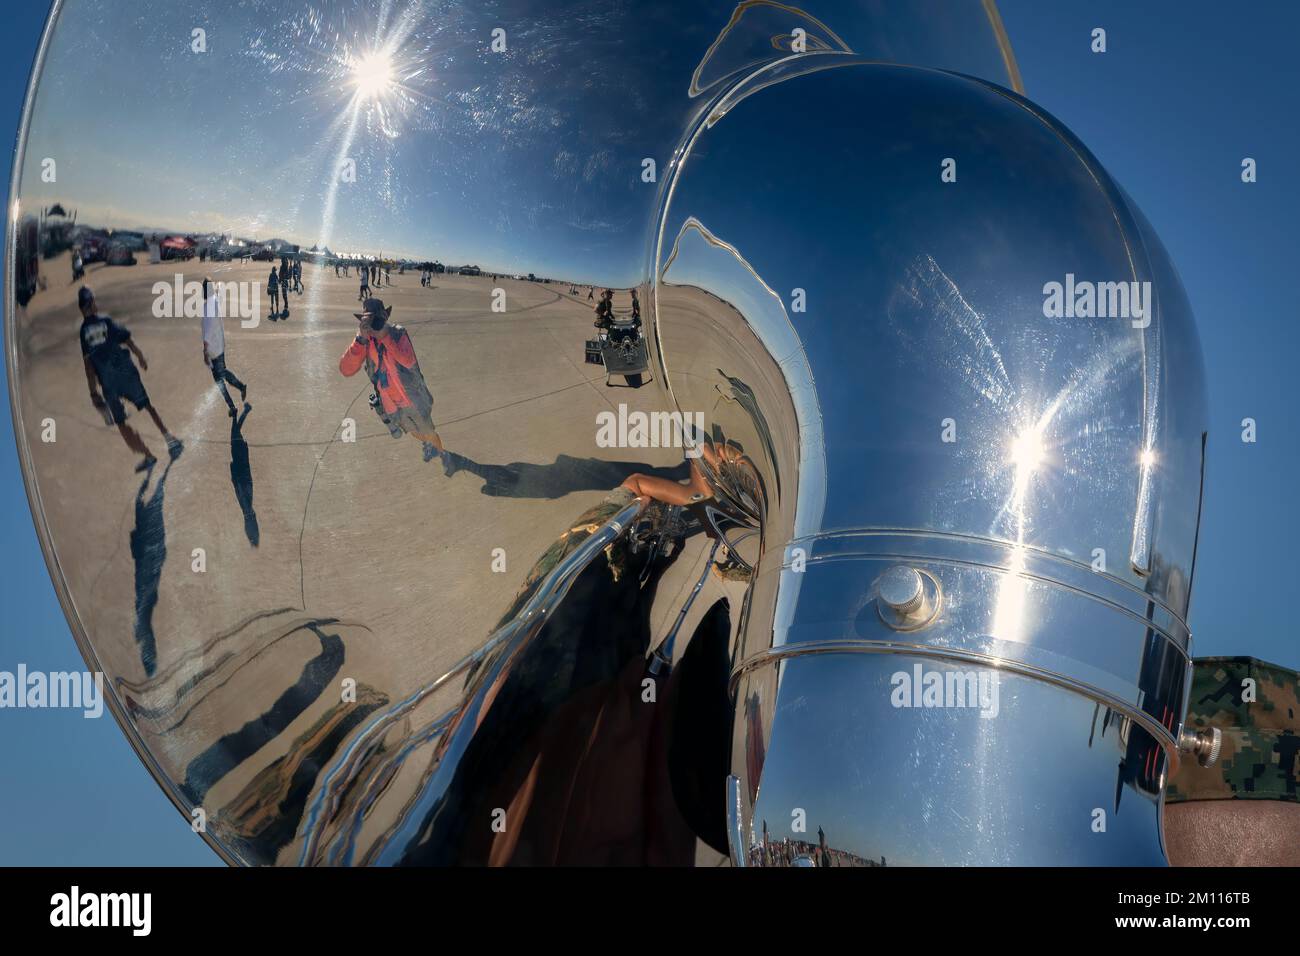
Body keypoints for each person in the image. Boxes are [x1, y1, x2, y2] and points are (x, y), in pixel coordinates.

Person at [78, 286, 182, 471]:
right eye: (94, 300)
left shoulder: (83, 332)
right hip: (125, 373)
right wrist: (140, 355)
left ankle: (148, 455)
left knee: (120, 422)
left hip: (108, 383)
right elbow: (126, 339)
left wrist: (93, 392)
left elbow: (89, 367)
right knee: (147, 405)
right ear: (92, 303)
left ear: (81, 309)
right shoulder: (106, 321)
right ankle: (169, 439)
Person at [339, 298, 447, 465]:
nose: (375, 325)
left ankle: (442, 453)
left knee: (428, 430)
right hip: (391, 404)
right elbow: (346, 370)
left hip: (413, 398)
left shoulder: (397, 333)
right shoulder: (365, 341)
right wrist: (361, 338)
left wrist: (385, 336)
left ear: (386, 318)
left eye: (378, 320)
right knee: (412, 430)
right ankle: (426, 443)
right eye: (370, 321)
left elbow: (408, 361)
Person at [201, 278, 249, 417]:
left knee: (219, 380)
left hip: (213, 349)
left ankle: (233, 406)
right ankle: (240, 388)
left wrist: (205, 351)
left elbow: (208, 331)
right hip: (220, 346)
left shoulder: (208, 306)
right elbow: (220, 291)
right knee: (223, 374)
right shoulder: (214, 301)